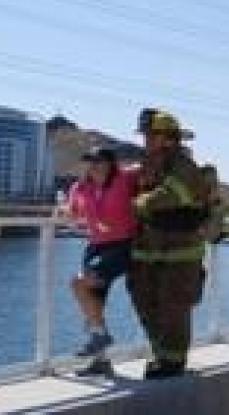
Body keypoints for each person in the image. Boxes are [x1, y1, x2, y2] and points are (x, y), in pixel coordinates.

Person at [128, 109, 210, 379]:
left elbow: (169, 196)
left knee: (173, 307)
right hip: (148, 253)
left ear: (168, 138)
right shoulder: (150, 164)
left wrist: (139, 203)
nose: (146, 141)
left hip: (180, 255)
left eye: (151, 136)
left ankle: (173, 364)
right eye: (146, 136)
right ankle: (161, 355)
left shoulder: (184, 166)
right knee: (145, 303)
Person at [61, 146, 138, 373]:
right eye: (89, 160)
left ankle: (101, 337)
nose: (93, 165)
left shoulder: (124, 179)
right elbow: (74, 214)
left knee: (79, 282)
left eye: (98, 160)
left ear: (111, 163)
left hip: (122, 246)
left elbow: (151, 168)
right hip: (95, 247)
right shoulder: (80, 187)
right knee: (95, 303)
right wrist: (64, 212)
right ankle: (102, 361)